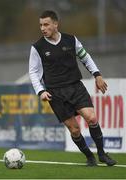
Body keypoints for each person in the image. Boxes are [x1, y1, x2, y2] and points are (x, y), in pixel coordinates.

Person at [29, 10, 116, 166]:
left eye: (46, 24)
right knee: (74, 130)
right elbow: (33, 72)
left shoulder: (71, 40)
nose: (43, 28)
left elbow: (85, 57)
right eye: (41, 25)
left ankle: (102, 154)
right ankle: (89, 157)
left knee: (92, 118)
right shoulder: (37, 47)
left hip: (76, 87)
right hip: (55, 93)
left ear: (56, 24)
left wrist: (97, 74)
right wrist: (40, 91)